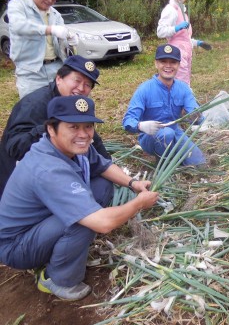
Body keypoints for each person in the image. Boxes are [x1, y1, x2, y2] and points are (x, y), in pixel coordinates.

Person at [0, 96, 159, 300]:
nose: (83, 134)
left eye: (88, 126)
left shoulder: (72, 146)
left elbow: (102, 166)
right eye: (73, 127)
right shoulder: (48, 168)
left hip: (40, 225)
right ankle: (57, 279)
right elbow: (103, 224)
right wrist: (138, 204)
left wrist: (133, 183)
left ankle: (65, 247)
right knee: (82, 221)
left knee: (101, 186)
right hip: (17, 246)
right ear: (51, 128)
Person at [0, 55, 111, 201]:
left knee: (104, 184)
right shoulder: (35, 104)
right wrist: (51, 130)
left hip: (52, 171)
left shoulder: (72, 103)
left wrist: (109, 165)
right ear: (59, 78)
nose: (81, 89)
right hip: (24, 181)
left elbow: (93, 139)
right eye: (77, 80)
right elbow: (15, 147)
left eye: (88, 85)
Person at [123, 44, 206, 166]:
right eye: (163, 61)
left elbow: (196, 114)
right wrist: (141, 126)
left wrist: (196, 116)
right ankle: (162, 164)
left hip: (175, 132)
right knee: (166, 134)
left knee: (198, 163)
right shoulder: (145, 89)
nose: (168, 66)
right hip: (150, 136)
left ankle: (173, 154)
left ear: (178, 64)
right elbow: (127, 121)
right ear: (156, 64)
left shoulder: (183, 89)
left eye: (173, 62)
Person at [7, 0, 79, 99]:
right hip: (31, 72)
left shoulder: (55, 14)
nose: (51, 0)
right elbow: (19, 26)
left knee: (59, 110)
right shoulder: (17, 6)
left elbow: (60, 42)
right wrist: (49, 29)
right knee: (33, 111)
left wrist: (70, 40)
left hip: (57, 69)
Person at [156, 0, 212, 86]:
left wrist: (197, 43)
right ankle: (183, 101)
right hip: (176, 52)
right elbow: (160, 31)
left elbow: (184, 37)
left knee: (185, 79)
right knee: (181, 82)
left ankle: (184, 100)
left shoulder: (183, 12)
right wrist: (176, 28)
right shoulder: (171, 10)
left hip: (186, 52)